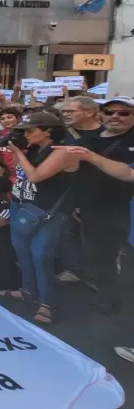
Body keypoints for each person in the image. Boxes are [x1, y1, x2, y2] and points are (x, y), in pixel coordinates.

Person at [60, 96, 134, 318]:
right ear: (101, 114)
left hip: (125, 210)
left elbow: (128, 174)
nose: (115, 117)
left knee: (127, 264)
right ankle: (107, 300)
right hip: (93, 210)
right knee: (98, 258)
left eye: (124, 113)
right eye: (110, 112)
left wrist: (92, 157)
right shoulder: (89, 139)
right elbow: (78, 174)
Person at [0, 112, 77, 325]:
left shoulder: (62, 152)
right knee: (22, 251)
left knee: (40, 255)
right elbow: (17, 167)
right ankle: (27, 290)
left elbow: (35, 176)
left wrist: (18, 151)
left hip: (48, 211)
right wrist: (19, 148)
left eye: (30, 130)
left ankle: (47, 303)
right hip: (21, 204)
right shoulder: (32, 148)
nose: (27, 134)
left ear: (48, 131)